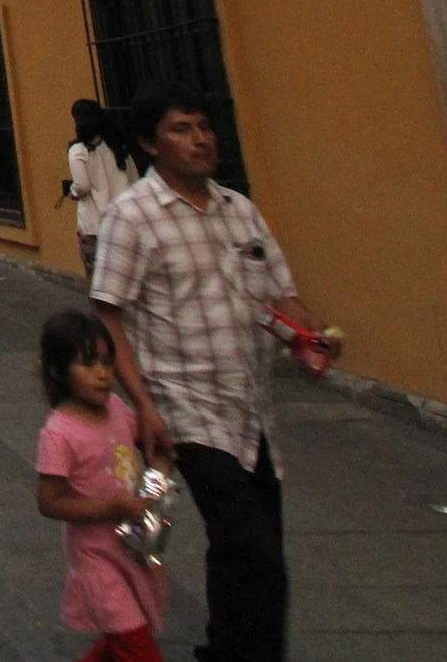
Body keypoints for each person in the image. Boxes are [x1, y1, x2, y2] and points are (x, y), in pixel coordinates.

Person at [92, 82, 337, 662]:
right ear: (152, 144)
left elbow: (281, 295)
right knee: (251, 548)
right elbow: (108, 316)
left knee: (254, 548)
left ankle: (230, 650)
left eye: (204, 127)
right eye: (182, 129)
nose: (200, 140)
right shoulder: (132, 218)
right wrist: (145, 407)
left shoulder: (240, 211)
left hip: (251, 413)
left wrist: (312, 336)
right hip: (185, 410)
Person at [35, 309, 168, 662]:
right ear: (58, 370)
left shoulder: (116, 407)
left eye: (108, 363)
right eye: (89, 364)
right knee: (135, 642)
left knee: (122, 636)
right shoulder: (59, 433)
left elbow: (147, 444)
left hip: (131, 547)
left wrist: (161, 466)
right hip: (95, 557)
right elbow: (49, 502)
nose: (103, 374)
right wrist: (109, 508)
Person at [67, 99, 138, 277]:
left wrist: (72, 192)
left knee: (97, 279)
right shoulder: (119, 148)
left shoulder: (79, 150)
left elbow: (81, 186)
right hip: (126, 223)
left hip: (95, 226)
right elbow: (135, 180)